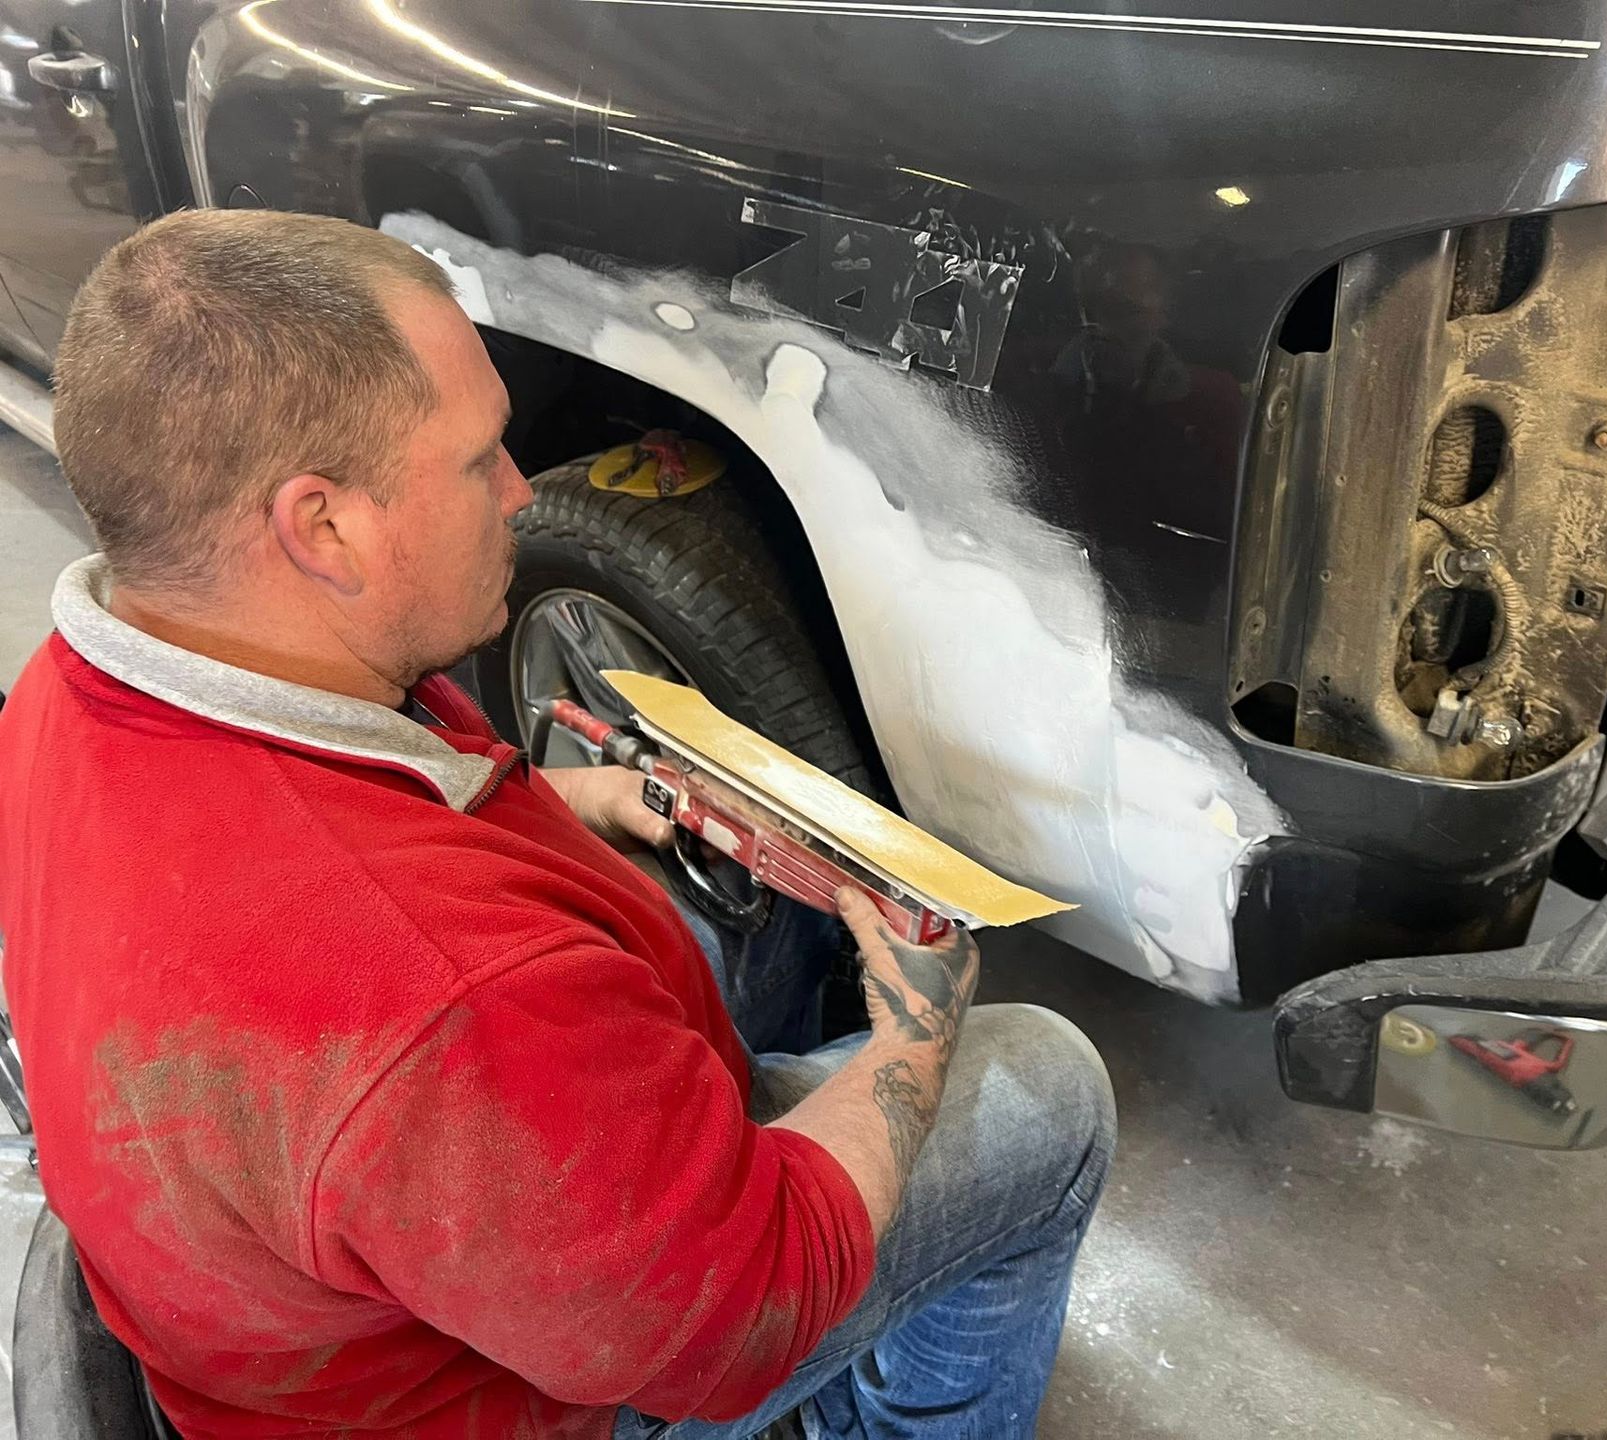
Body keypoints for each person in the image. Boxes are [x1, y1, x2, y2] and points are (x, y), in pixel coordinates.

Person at [0, 209, 1114, 1439]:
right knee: (1051, 1093)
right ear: (322, 528)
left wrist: (544, 803)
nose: (523, 492)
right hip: (535, 1392)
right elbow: (756, 1309)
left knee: (715, 948)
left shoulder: (80, 684)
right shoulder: (446, 1008)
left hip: (311, 1307)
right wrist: (913, 1024)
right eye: (479, 461)